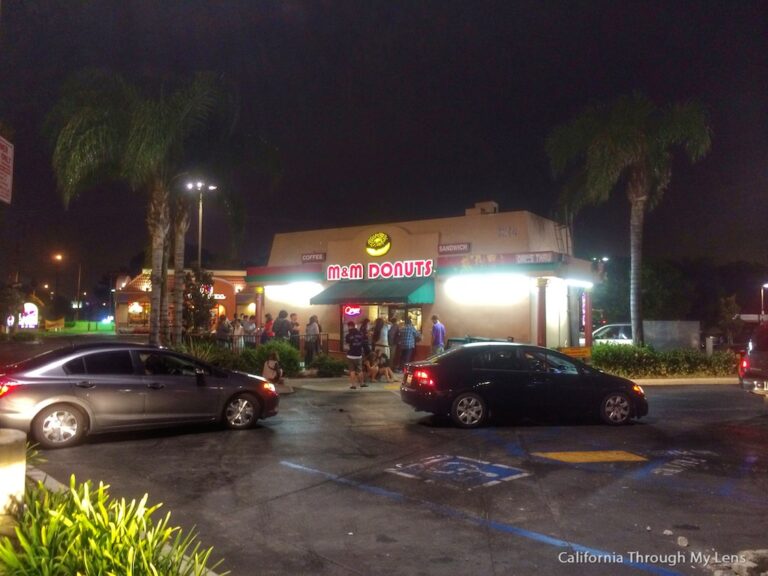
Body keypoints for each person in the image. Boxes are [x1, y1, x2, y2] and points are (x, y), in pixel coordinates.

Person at [345, 321, 366, 389]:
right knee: (359, 370)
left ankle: (353, 385)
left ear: (349, 326)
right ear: (355, 326)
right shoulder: (360, 334)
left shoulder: (348, 335)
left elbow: (347, 343)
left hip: (350, 355)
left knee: (352, 371)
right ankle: (362, 383)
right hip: (358, 355)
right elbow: (363, 343)